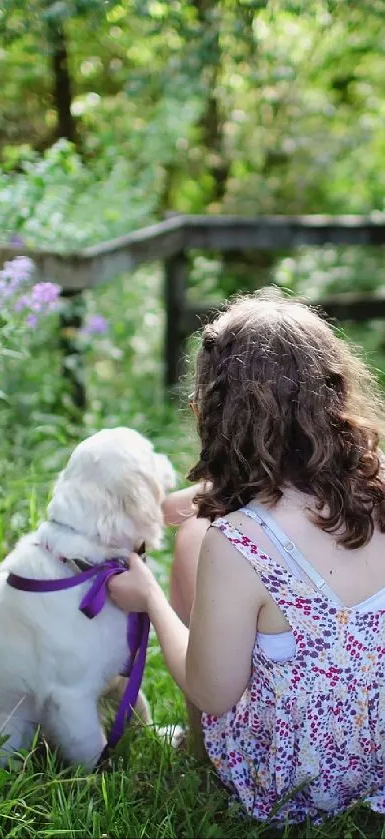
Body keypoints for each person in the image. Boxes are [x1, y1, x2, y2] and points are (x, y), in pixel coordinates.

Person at [108, 290, 385, 824]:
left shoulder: (237, 543)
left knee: (191, 539)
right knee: (195, 526)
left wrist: (150, 601)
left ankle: (197, 746)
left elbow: (214, 692)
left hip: (296, 780)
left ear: (215, 408)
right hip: (377, 755)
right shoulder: (374, 484)